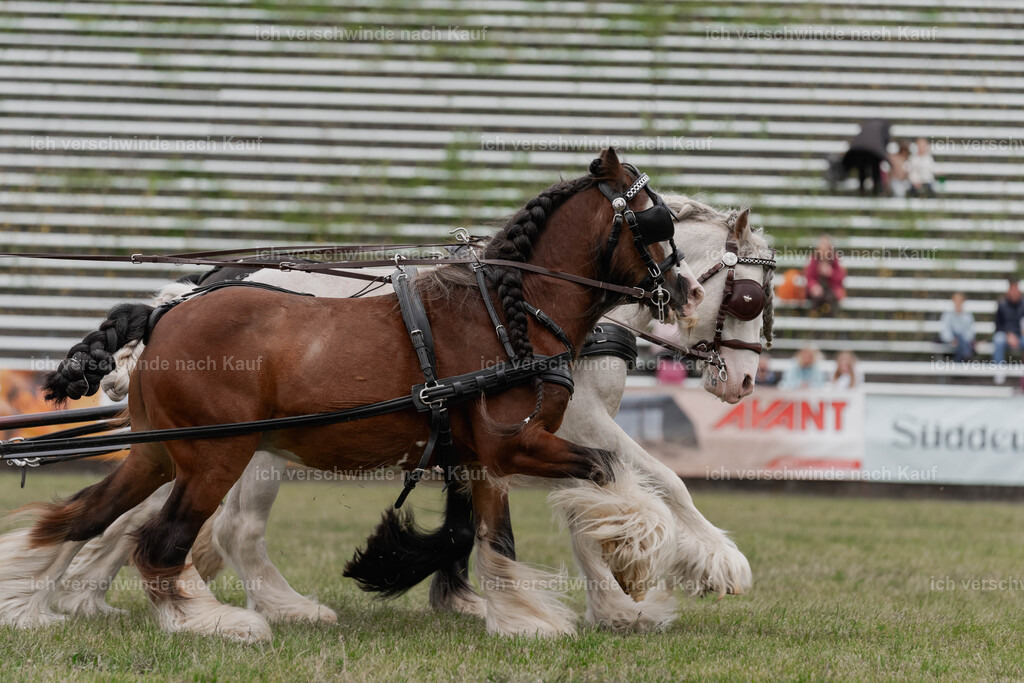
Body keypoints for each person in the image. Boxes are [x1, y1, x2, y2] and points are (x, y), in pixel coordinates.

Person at [829, 118, 891, 195]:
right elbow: (885, 141)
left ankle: (862, 191)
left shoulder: (867, 125)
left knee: (862, 169)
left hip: (859, 149)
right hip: (873, 151)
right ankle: (876, 191)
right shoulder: (884, 127)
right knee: (875, 168)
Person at [805, 235, 846, 316]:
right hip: (817, 291)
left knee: (830, 299)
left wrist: (831, 273)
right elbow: (809, 277)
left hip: (831, 290)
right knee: (816, 298)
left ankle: (830, 319)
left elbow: (841, 277)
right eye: (822, 245)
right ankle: (814, 316)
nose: (824, 249)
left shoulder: (835, 259)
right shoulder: (814, 259)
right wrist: (814, 286)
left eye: (826, 246)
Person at [993, 279, 1024, 383]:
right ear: (1009, 291)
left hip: (1021, 335)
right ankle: (999, 372)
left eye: (1016, 290)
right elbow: (998, 326)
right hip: (1005, 335)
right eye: (1012, 290)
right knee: (998, 339)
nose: (1014, 293)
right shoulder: (1002, 305)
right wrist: (1008, 335)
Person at [939, 292, 975, 362]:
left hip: (963, 342)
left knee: (960, 340)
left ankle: (958, 363)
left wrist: (962, 340)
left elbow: (970, 333)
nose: (958, 303)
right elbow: (945, 331)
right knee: (959, 340)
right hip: (950, 341)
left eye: (960, 300)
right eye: (956, 300)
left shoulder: (967, 316)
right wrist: (952, 340)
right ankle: (966, 355)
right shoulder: (948, 314)